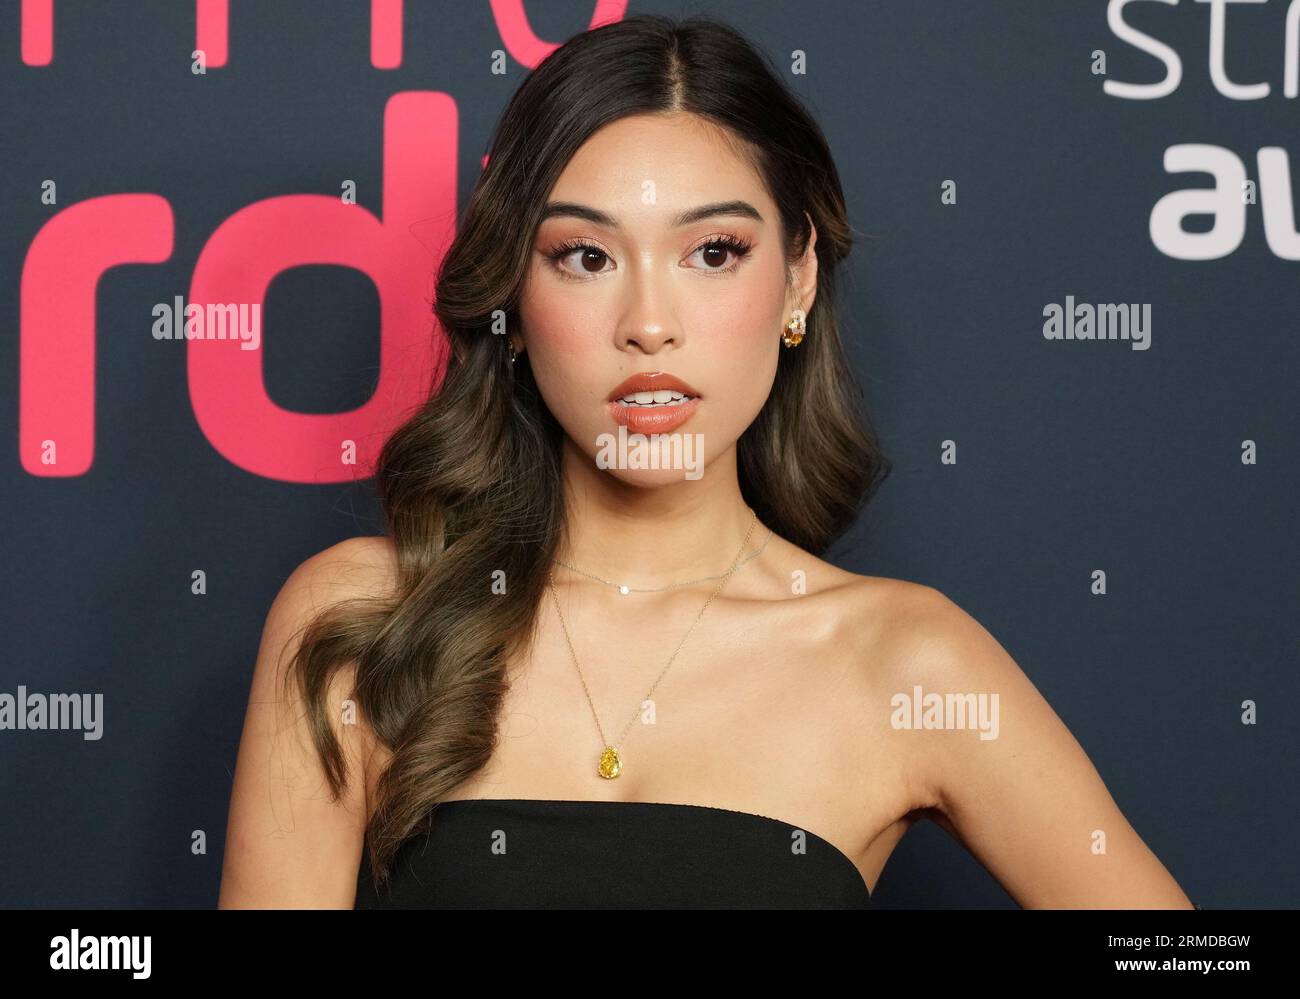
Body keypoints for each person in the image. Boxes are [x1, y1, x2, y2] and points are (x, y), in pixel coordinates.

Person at [217, 14, 1193, 909]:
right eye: (585, 257)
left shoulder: (901, 659)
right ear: (513, 298)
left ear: (798, 278)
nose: (649, 325)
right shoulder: (362, 621)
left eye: (714, 251)